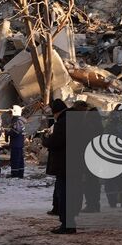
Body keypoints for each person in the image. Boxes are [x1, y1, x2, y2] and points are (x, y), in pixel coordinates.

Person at [42, 99, 74, 233]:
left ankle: (67, 224)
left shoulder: (62, 123)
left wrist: (45, 140)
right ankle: (68, 223)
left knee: (63, 194)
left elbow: (56, 141)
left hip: (64, 164)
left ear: (56, 112)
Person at [74, 100, 103, 214]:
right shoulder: (94, 118)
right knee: (93, 181)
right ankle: (94, 204)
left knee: (90, 181)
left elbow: (86, 137)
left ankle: (92, 204)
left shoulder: (90, 120)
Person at [7, 105, 26, 178]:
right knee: (20, 159)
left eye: (11, 112)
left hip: (16, 143)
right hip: (20, 143)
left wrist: (8, 132)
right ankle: (20, 173)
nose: (11, 114)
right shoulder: (21, 120)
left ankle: (15, 174)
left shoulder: (16, 121)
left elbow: (16, 131)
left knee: (15, 159)